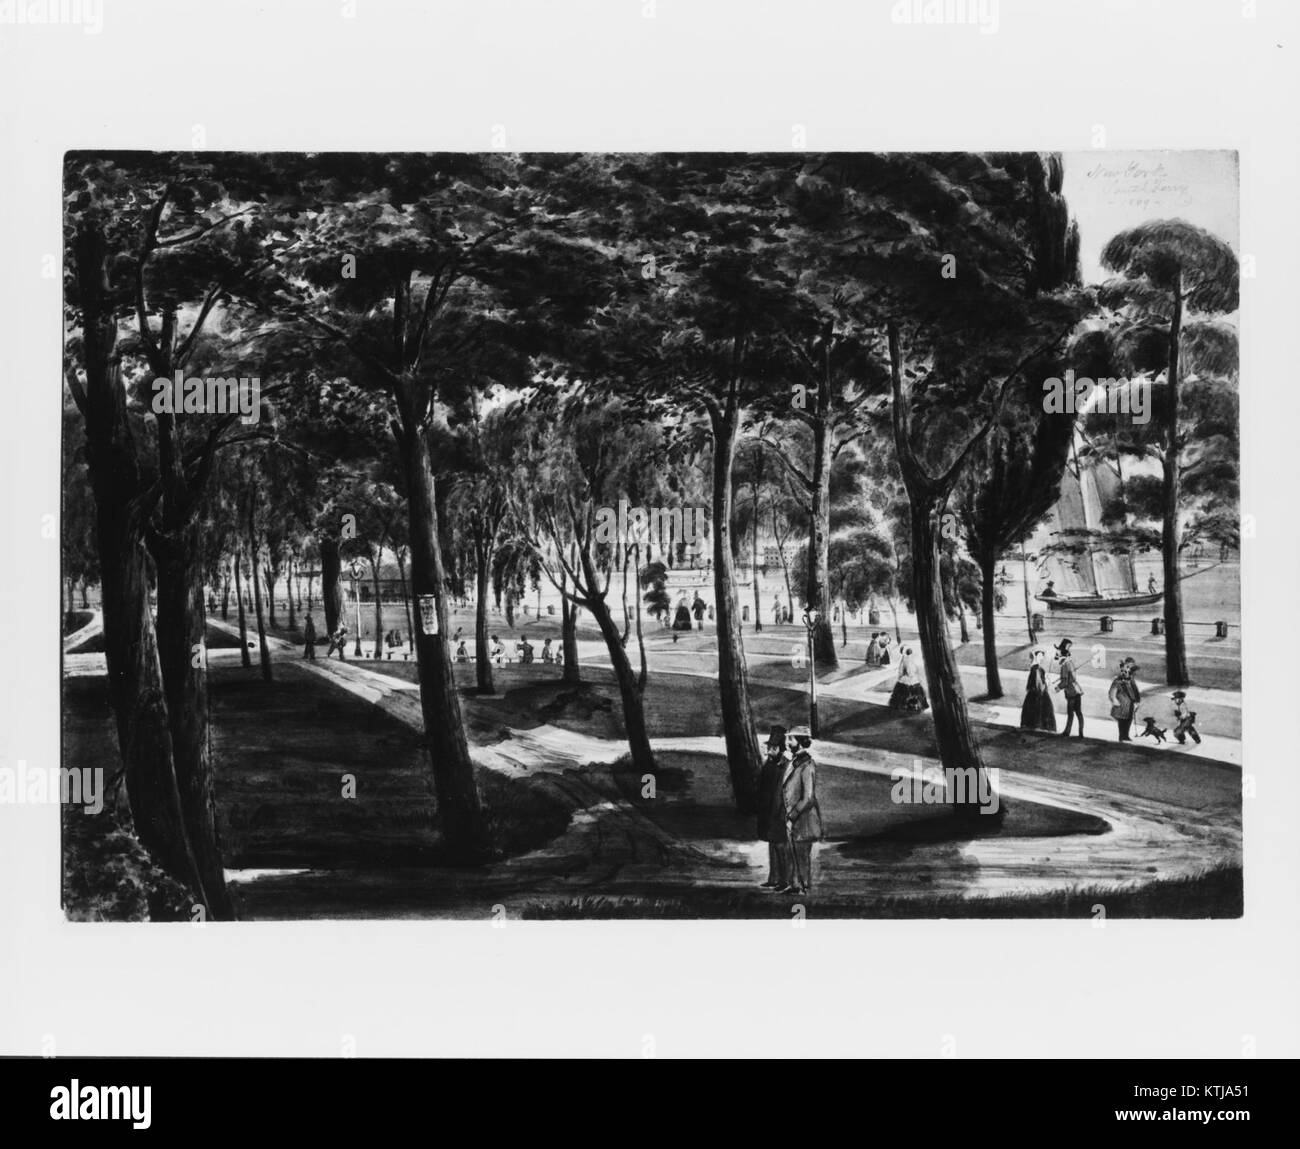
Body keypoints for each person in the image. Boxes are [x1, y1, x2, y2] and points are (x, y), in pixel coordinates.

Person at [780, 726, 823, 895]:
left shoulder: (807, 765)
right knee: (794, 852)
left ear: (800, 741)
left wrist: (792, 815)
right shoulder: (795, 762)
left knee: (802, 854)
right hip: (794, 819)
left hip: (804, 820)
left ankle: (803, 886)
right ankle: (796, 885)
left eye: (791, 739)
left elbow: (808, 797)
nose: (788, 742)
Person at [756, 725, 791, 890]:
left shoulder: (786, 767)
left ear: (781, 749)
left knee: (780, 846)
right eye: (769, 748)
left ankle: (784, 880)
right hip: (768, 812)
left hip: (780, 812)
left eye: (773, 748)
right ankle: (774, 877)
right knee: (772, 844)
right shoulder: (768, 765)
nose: (769, 751)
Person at [1019, 647, 1056, 731]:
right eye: (1039, 655)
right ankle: (1036, 726)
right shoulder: (1035, 668)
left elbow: (1042, 682)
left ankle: (1043, 726)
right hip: (1036, 693)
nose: (1042, 657)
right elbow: (1037, 683)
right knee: (1037, 709)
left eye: (1042, 656)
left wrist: (1046, 681)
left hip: (1040, 692)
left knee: (1045, 709)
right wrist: (1043, 686)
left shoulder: (1040, 669)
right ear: (1035, 657)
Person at [1053, 638, 1083, 737]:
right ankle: (1080, 733)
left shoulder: (1064, 666)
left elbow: (1065, 682)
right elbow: (1072, 678)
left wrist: (1057, 688)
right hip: (1077, 690)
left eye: (1058, 653)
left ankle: (1067, 732)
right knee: (1078, 712)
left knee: (1071, 713)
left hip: (1071, 692)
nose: (1056, 655)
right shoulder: (1070, 663)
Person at [888, 645, 929, 712]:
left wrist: (900, 677)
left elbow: (901, 671)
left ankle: (903, 705)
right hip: (914, 679)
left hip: (906, 679)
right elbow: (915, 670)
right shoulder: (914, 658)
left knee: (901, 688)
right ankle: (916, 706)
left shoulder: (904, 659)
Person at [1108, 660, 1141, 742]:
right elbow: (1112, 692)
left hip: (1130, 704)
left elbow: (1136, 691)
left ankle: (1126, 735)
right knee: (1122, 720)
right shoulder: (1117, 681)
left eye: (1125, 671)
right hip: (1121, 705)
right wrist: (1114, 700)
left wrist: (1137, 701)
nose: (1123, 673)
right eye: (1122, 671)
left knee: (1129, 719)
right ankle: (1121, 736)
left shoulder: (1131, 680)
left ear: (1129, 671)